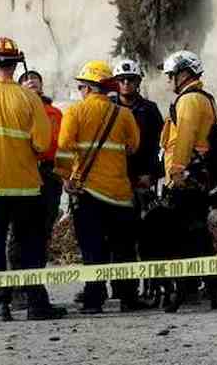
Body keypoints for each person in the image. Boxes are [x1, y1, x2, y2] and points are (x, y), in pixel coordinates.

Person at [0, 37, 66, 321]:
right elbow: (43, 144)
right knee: (28, 243)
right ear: (15, 64)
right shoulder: (30, 98)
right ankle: (34, 303)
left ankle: (1, 303)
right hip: (25, 184)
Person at [58, 60, 144, 313]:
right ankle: (128, 298)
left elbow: (64, 146)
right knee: (124, 248)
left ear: (86, 87)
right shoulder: (124, 114)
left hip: (87, 192)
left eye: (81, 86)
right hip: (120, 193)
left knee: (92, 248)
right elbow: (133, 146)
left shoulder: (74, 112)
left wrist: (65, 178)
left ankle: (94, 300)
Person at [158, 50, 217, 313]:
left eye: (169, 75)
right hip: (198, 178)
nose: (167, 80)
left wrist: (177, 172)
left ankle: (185, 292)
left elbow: (184, 137)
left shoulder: (190, 100)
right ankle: (213, 287)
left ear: (182, 74)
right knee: (198, 235)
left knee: (181, 239)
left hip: (187, 180)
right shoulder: (200, 98)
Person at [7, 69, 64, 311]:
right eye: (27, 81)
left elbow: (62, 143)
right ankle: (18, 291)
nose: (32, 83)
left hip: (49, 176)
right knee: (19, 233)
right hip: (23, 172)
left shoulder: (54, 113)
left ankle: (35, 288)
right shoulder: (16, 111)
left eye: (36, 81)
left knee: (42, 233)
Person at [110, 58, 164, 302]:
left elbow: (158, 145)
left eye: (130, 80)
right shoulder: (108, 108)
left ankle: (150, 287)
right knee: (118, 238)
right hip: (113, 180)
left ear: (138, 82)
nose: (125, 84)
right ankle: (122, 289)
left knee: (147, 237)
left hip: (142, 181)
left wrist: (151, 174)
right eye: (121, 80)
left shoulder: (149, 110)